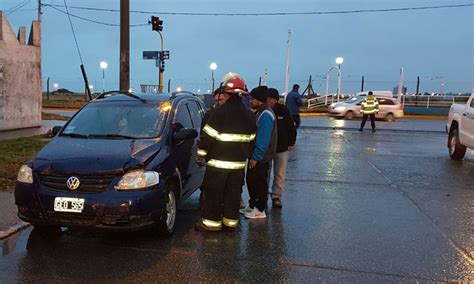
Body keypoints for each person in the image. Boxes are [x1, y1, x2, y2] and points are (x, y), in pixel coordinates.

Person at [195, 73, 256, 232]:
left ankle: (211, 224)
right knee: (233, 195)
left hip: (217, 165)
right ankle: (230, 223)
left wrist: (201, 154)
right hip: (238, 166)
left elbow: (207, 137)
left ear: (227, 94)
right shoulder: (249, 114)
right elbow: (251, 140)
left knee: (214, 194)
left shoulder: (219, 113)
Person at [243, 86, 277, 219]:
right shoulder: (261, 112)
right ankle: (253, 205)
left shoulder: (266, 115)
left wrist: (256, 157)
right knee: (252, 180)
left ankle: (259, 208)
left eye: (252, 99)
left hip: (261, 158)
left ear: (259, 100)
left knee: (258, 182)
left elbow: (263, 138)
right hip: (258, 155)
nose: (251, 101)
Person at [266, 88, 296, 208]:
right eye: (267, 98)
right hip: (267, 148)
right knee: (265, 173)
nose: (268, 101)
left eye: (271, 98)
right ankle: (263, 195)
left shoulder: (283, 110)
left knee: (279, 174)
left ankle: (276, 197)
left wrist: (291, 143)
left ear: (276, 100)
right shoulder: (263, 110)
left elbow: (291, 127)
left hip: (282, 147)